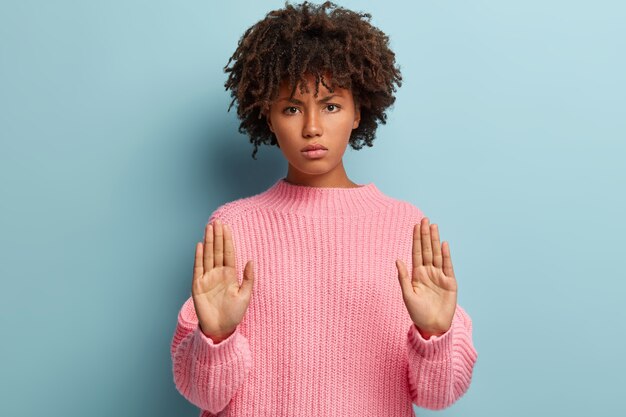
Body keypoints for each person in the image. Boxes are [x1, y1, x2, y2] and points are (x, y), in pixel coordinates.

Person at [170, 2, 478, 416]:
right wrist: (216, 336)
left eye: (331, 105)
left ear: (358, 112)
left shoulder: (405, 226)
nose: (312, 126)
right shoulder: (233, 227)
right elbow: (203, 395)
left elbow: (438, 397)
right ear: (268, 115)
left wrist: (435, 333)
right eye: (292, 108)